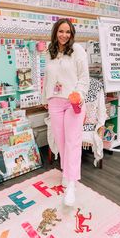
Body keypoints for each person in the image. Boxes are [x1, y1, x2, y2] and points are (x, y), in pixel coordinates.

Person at [42, 18, 89, 206]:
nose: (64, 35)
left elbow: (84, 77)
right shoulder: (49, 51)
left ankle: (71, 183)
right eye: (61, 31)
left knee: (72, 142)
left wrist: (78, 94)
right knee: (60, 141)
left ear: (71, 34)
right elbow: (47, 76)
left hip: (73, 102)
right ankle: (66, 172)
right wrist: (45, 98)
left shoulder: (77, 50)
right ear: (55, 33)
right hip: (54, 101)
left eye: (67, 32)